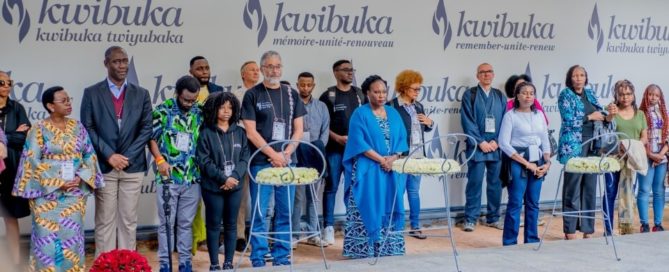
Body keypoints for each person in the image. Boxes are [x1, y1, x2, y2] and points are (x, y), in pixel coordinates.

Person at [13, 86, 104, 271]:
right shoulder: (38, 129)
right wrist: (57, 182)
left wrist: (80, 177)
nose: (69, 103)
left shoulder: (78, 127)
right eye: (63, 101)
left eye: (69, 99)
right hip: (46, 197)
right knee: (45, 242)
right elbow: (31, 160)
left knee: (72, 240)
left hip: (73, 194)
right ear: (50, 106)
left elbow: (89, 155)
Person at [81, 46, 153, 255]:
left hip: (133, 166)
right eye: (116, 61)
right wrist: (109, 155)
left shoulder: (142, 94)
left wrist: (127, 156)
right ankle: (105, 266)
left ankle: (126, 264)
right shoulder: (92, 92)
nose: (122, 65)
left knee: (129, 220)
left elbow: (146, 128)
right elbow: (88, 128)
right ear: (106, 64)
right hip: (105, 166)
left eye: (124, 61)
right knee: (104, 220)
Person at [241, 50, 306, 267]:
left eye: (277, 66)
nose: (274, 70)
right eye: (269, 66)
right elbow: (250, 131)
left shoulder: (291, 93)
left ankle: (282, 255)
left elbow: (298, 129)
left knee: (285, 212)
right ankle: (258, 257)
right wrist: (273, 154)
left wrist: (286, 154)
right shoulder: (253, 95)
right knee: (261, 212)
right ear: (261, 69)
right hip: (261, 162)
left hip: (288, 161)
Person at [342, 75, 407, 258]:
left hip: (391, 170)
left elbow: (402, 140)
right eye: (376, 92)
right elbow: (358, 143)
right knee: (367, 205)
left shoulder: (393, 113)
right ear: (367, 93)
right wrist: (382, 160)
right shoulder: (360, 114)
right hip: (368, 168)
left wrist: (392, 158)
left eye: (384, 92)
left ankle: (389, 248)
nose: (381, 95)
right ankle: (363, 249)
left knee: (389, 206)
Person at [149, 76, 203, 272]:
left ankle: (185, 263)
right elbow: (152, 138)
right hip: (168, 177)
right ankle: (165, 264)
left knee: (186, 224)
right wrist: (160, 160)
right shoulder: (162, 110)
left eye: (193, 100)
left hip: (192, 177)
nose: (189, 103)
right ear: (177, 94)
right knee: (166, 224)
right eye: (186, 99)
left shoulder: (199, 111)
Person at [557, 65, 614, 240]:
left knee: (590, 186)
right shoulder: (565, 94)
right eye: (575, 75)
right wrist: (590, 117)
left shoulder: (590, 94)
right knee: (572, 187)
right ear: (570, 78)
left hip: (593, 144)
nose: (579, 78)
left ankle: (587, 229)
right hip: (574, 145)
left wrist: (609, 115)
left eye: (582, 75)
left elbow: (601, 116)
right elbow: (568, 121)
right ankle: (570, 229)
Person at [197, 92, 249, 271]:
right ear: (214, 109)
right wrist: (223, 178)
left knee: (231, 224)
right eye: (222, 107)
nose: (226, 111)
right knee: (213, 225)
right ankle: (214, 264)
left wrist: (233, 177)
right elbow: (204, 161)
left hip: (235, 186)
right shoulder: (206, 132)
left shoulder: (240, 132)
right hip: (213, 187)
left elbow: (244, 158)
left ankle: (228, 262)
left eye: (230, 107)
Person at [498, 82, 552, 246]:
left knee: (533, 203)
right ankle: (509, 241)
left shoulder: (539, 115)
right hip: (518, 162)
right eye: (524, 93)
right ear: (517, 96)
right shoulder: (510, 115)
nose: (528, 96)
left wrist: (547, 162)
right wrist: (526, 164)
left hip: (538, 161)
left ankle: (531, 239)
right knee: (515, 202)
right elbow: (503, 143)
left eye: (531, 93)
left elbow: (545, 140)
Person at [319, 59, 365, 245]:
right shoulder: (328, 96)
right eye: (346, 70)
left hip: (356, 151)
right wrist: (336, 137)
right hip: (334, 150)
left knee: (356, 188)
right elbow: (322, 125)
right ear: (335, 72)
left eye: (351, 69)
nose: (350, 73)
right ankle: (328, 228)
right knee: (331, 188)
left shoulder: (359, 94)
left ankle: (354, 225)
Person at [387, 70, 433, 239]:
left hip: (418, 155)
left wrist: (430, 123)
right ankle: (396, 227)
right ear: (404, 88)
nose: (417, 92)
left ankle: (415, 226)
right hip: (400, 156)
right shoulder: (392, 106)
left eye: (419, 89)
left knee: (414, 192)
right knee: (397, 192)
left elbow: (424, 127)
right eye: (414, 88)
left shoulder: (418, 105)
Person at [460, 63, 506, 232]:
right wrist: (480, 142)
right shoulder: (470, 95)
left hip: (495, 146)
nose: (486, 75)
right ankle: (471, 218)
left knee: (495, 184)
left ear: (493, 75)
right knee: (475, 183)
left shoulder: (499, 95)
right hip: (477, 146)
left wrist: (497, 141)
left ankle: (493, 217)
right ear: (477, 75)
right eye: (483, 72)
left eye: (489, 72)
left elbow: (505, 121)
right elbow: (467, 121)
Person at [188, 55, 223, 255]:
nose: (204, 71)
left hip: (213, 151)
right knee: (191, 199)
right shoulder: (185, 91)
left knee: (213, 198)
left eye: (207, 67)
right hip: (190, 153)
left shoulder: (217, 92)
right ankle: (194, 240)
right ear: (191, 72)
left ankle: (212, 240)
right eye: (200, 68)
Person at [291, 72, 330, 247]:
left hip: (316, 155)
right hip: (297, 154)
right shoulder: (292, 104)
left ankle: (313, 234)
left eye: (309, 85)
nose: (305, 88)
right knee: (298, 197)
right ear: (297, 85)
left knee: (313, 196)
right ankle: (294, 235)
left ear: (313, 86)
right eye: (302, 85)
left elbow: (325, 131)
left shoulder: (321, 106)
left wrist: (317, 149)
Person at [604, 80, 647, 235]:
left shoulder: (640, 114)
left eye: (628, 94)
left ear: (633, 95)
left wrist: (630, 148)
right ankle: (607, 230)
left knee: (628, 194)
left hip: (631, 161)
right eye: (621, 94)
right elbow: (605, 135)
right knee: (610, 193)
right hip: (613, 159)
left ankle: (626, 229)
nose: (625, 97)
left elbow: (644, 138)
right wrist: (609, 115)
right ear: (616, 95)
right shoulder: (610, 112)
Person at [0, 71, 30, 267]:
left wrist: (4, 138)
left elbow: (25, 137)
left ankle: (15, 263)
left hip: (10, 170)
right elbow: (16, 136)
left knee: (11, 218)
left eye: (9, 82)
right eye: (2, 82)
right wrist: (12, 135)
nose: (7, 85)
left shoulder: (17, 108)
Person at [232, 60, 260, 252]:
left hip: (263, 149)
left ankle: (260, 234)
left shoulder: (265, 93)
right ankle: (239, 235)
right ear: (243, 74)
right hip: (242, 148)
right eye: (252, 70)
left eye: (258, 70)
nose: (256, 73)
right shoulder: (236, 95)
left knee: (261, 195)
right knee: (240, 196)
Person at [639, 84, 668, 232]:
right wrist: (650, 154)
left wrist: (661, 155)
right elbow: (639, 136)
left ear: (660, 97)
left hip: (661, 158)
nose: (653, 98)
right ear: (646, 95)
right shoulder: (640, 113)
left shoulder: (664, 113)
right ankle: (644, 223)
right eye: (651, 94)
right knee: (644, 189)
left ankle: (658, 224)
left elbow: (668, 136)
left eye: (656, 95)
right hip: (645, 156)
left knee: (659, 190)